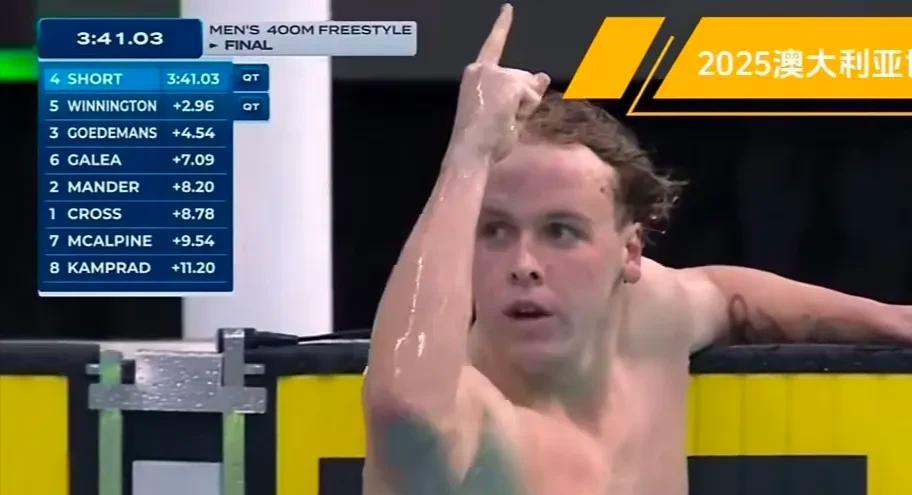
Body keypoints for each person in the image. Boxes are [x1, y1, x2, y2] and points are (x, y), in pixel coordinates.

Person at [361, 5, 912, 494]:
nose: (523, 265)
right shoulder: (470, 427)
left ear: (630, 253)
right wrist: (469, 153)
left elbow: (724, 293)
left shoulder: (648, 320)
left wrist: (891, 319)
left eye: (560, 231)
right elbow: (405, 406)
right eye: (494, 231)